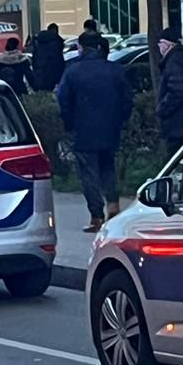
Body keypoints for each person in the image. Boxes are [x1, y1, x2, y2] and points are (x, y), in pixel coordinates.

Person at [56, 32, 133, 230]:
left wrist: (69, 123)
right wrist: (120, 121)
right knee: (108, 168)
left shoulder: (73, 70)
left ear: (81, 47)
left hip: (83, 130)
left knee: (88, 173)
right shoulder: (114, 69)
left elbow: (63, 100)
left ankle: (96, 216)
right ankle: (114, 205)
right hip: (110, 128)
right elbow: (127, 100)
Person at [31, 23, 65, 92]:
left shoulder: (39, 41)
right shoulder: (57, 42)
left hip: (40, 75)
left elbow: (34, 60)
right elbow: (59, 62)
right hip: (53, 76)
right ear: (56, 31)